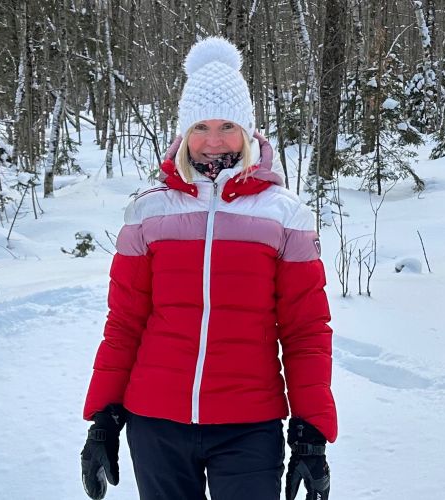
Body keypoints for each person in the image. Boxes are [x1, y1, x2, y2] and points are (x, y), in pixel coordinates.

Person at [81, 36, 337, 500]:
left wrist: (310, 431)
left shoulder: (285, 215)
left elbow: (306, 329)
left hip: (248, 424)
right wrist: (104, 418)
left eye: (227, 126)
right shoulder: (149, 211)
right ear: (184, 132)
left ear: (247, 130)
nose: (213, 140)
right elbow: (125, 322)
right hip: (155, 421)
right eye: (200, 126)